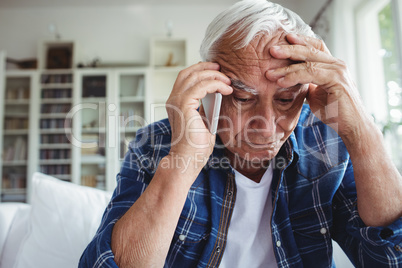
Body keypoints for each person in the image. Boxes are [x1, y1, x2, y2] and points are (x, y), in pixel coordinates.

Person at [79, 0, 402, 267]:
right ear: (210, 88)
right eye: (243, 98)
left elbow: (389, 261)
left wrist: (362, 133)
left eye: (286, 99)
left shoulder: (327, 142)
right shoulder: (155, 143)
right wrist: (184, 159)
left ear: (306, 90)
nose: (264, 123)